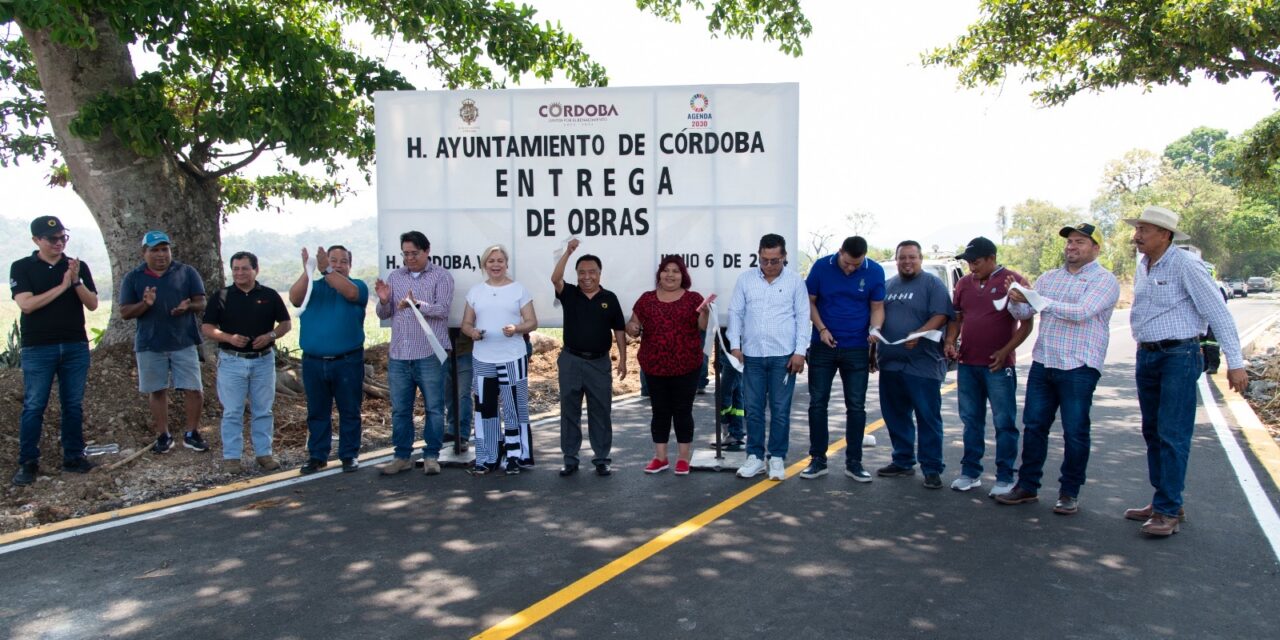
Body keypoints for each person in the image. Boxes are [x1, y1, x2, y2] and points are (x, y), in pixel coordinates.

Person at [1124, 206, 1247, 536]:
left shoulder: (1187, 265)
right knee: (1152, 431)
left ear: (1165, 235)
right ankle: (1165, 499)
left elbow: (1217, 313)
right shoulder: (1144, 264)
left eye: (1144, 230)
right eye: (1137, 229)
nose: (1136, 235)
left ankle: (1167, 512)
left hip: (1178, 355)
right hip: (1147, 356)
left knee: (1172, 433)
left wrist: (1235, 363)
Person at [996, 223, 1119, 514]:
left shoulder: (1104, 280)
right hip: (1044, 362)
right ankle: (1027, 486)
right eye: (1069, 242)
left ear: (1095, 248)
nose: (1072, 247)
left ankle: (1069, 492)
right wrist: (1016, 301)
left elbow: (1082, 312)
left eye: (1080, 242)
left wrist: (1037, 299)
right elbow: (1027, 312)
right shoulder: (1049, 278)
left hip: (1079, 365)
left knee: (1075, 431)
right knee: (1035, 426)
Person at [10, 216, 99, 486]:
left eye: (63, 238)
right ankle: (28, 462)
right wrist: (61, 286)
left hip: (74, 345)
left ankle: (73, 456)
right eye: (53, 239)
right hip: (39, 347)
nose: (59, 243)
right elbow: (26, 305)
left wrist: (75, 282)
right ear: (37, 240)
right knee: (35, 405)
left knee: (72, 404)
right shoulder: (22, 267)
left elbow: (93, 303)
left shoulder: (76, 266)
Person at [943, 237, 1033, 497]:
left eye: (976, 262)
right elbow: (957, 319)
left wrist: (1005, 352)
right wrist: (950, 340)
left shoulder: (1012, 281)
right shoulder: (963, 284)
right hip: (968, 364)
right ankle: (970, 473)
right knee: (971, 420)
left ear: (992, 258)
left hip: (998, 366)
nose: (972, 267)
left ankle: (1005, 477)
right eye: (968, 262)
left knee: (1004, 422)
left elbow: (1027, 324)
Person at [800, 236, 885, 482]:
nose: (850, 268)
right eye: (847, 263)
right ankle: (818, 460)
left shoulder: (875, 271)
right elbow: (810, 301)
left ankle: (854, 462)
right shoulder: (821, 266)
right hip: (823, 346)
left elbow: (877, 307)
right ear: (840, 252)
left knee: (856, 406)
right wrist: (822, 329)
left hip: (857, 348)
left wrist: (875, 329)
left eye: (856, 265)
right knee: (818, 403)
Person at [118, 230, 209, 455]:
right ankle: (163, 435)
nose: (161, 255)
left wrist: (188, 307)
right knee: (157, 390)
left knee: (194, 389)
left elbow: (202, 301)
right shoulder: (133, 277)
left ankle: (192, 433)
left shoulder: (187, 272)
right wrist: (145, 304)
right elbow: (125, 312)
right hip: (150, 343)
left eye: (164, 249)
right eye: (155, 250)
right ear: (144, 253)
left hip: (183, 341)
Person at [728, 234, 809, 481]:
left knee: (780, 410)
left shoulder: (795, 282)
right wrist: (734, 345)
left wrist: (800, 352)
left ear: (784, 257)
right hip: (751, 356)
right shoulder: (745, 280)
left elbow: (803, 317)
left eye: (775, 261)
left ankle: (776, 458)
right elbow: (735, 313)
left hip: (783, 357)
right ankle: (754, 457)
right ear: (759, 255)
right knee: (753, 409)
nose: (769, 265)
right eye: (764, 260)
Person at [874, 240, 954, 489]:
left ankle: (932, 468)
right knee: (895, 415)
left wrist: (918, 334)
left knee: (927, 417)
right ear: (896, 259)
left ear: (920, 258)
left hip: (923, 365)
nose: (907, 262)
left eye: (912, 257)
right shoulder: (888, 286)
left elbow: (941, 315)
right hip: (890, 363)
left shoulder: (932, 284)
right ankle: (902, 460)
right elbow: (878, 316)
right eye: (902, 258)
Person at [201, 252, 291, 473]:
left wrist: (270, 336)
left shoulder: (269, 295)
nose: (239, 273)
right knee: (232, 411)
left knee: (263, 410)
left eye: (244, 268)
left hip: (263, 361)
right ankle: (232, 457)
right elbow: (207, 327)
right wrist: (228, 337)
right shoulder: (221, 296)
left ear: (255, 270)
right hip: (232, 361)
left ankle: (264, 454)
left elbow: (285, 324)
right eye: (236, 269)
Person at [375, 231, 454, 476]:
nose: (409, 258)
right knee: (400, 409)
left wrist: (417, 304)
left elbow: (442, 309)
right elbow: (383, 314)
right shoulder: (395, 277)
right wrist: (385, 300)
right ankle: (401, 457)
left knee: (434, 407)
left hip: (430, 353)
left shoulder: (441, 276)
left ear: (427, 251)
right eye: (405, 253)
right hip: (400, 354)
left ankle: (431, 455)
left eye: (414, 253)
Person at [290, 245, 368, 475]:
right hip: (313, 362)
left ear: (350, 265)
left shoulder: (357, 286)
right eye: (332, 260)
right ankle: (317, 455)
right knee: (317, 411)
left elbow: (352, 294)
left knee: (349, 410)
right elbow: (294, 298)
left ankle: (349, 455)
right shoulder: (313, 288)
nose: (337, 264)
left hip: (347, 361)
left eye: (343, 261)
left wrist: (326, 271)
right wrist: (308, 270)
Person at [553, 239, 628, 477]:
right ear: (576, 274)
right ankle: (570, 459)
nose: (587, 277)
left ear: (599, 273)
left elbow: (619, 331)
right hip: (571, 361)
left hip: (599, 363)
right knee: (569, 411)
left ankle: (602, 458)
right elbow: (555, 279)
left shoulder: (610, 298)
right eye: (582, 272)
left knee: (601, 411)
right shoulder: (570, 293)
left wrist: (624, 360)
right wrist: (568, 252)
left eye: (592, 272)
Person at [628, 255, 709, 475]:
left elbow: (702, 326)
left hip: (686, 365)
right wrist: (633, 328)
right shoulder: (646, 299)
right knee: (660, 411)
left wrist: (705, 313)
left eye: (676, 271)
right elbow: (632, 324)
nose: (670, 274)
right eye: (666, 270)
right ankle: (660, 457)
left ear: (683, 275)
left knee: (683, 411)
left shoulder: (694, 299)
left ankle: (683, 458)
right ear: (659, 274)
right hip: (655, 366)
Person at [461, 244, 537, 475]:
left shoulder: (518, 290)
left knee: (514, 407)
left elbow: (532, 322)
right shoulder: (475, 292)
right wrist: (472, 332)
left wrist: (516, 328)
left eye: (500, 260)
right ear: (485, 265)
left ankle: (515, 455)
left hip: (512, 357)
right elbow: (466, 323)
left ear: (506, 264)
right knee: (486, 409)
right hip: (483, 358)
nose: (496, 265)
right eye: (491, 261)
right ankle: (487, 456)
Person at [442, 329, 474, 449]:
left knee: (463, 394)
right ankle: (452, 429)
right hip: (443, 352)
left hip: (465, 351)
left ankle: (462, 432)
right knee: (448, 394)